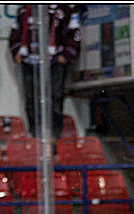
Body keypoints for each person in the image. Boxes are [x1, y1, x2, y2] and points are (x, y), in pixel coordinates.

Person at [9, 5, 86, 139]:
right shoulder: (24, 9)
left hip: (54, 61)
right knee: (31, 99)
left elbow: (75, 34)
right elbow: (15, 32)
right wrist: (16, 51)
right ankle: (36, 136)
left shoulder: (65, 8)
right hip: (30, 61)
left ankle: (54, 137)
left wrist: (67, 55)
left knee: (55, 98)